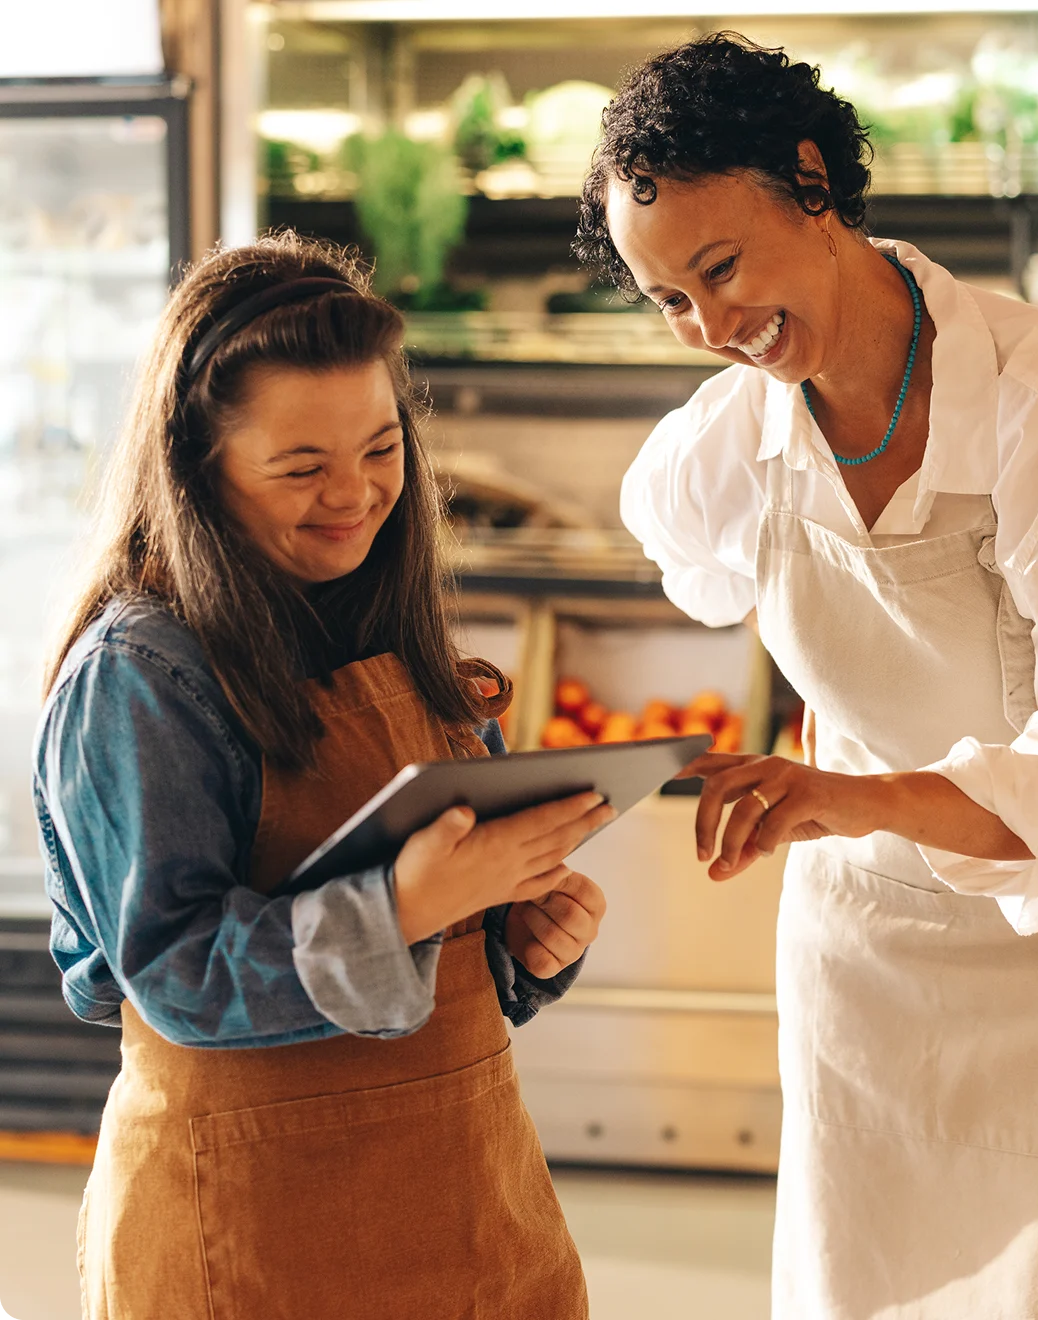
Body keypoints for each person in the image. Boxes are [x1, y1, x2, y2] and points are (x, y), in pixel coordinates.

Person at [575, 32, 1038, 1320]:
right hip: (861, 972)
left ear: (812, 183)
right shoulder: (726, 446)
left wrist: (847, 795)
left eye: (720, 268)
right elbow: (697, 577)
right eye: (669, 302)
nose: (711, 329)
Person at [33, 232, 610, 1320]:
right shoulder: (141, 674)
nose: (354, 496)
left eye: (382, 448)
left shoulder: (389, 624)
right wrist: (404, 906)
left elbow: (446, 960)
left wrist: (518, 935)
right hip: (247, 1236)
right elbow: (175, 969)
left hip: (470, 1203)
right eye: (300, 467)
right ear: (197, 466)